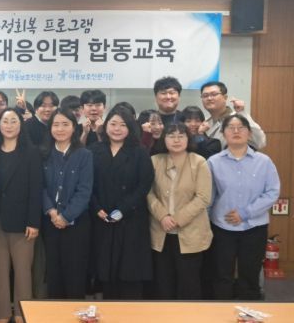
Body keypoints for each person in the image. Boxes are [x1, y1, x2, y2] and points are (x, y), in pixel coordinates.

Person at [207, 115, 280, 300]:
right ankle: (220, 312)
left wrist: (245, 213)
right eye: (230, 127)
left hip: (254, 227)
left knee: (250, 274)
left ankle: (249, 312)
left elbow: (272, 192)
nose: (236, 131)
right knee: (221, 274)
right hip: (222, 227)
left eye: (241, 127)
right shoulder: (213, 162)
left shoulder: (264, 161)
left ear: (249, 133)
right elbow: (209, 196)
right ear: (223, 133)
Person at [90, 106, 155, 299]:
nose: (117, 129)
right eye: (113, 124)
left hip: (131, 218)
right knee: (106, 270)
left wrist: (122, 210)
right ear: (105, 126)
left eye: (123, 125)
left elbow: (144, 184)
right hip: (102, 217)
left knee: (129, 271)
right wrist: (96, 208)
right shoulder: (94, 150)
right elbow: (86, 184)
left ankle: (131, 313)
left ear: (130, 128)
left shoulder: (139, 152)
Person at [0, 108, 42, 323]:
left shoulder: (31, 152)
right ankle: (2, 313)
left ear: (21, 125)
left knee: (23, 270)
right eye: (5, 121)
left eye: (14, 121)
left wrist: (34, 221)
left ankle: (22, 313)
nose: (9, 125)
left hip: (23, 221)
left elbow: (36, 188)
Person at [147, 123, 212, 300]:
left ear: (188, 139)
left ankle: (189, 317)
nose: (176, 140)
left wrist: (177, 219)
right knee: (163, 283)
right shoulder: (154, 161)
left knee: (189, 283)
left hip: (191, 232)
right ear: (164, 139)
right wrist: (162, 216)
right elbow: (148, 193)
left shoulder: (199, 162)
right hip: (161, 231)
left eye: (181, 136)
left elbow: (203, 197)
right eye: (171, 136)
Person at [42, 108, 93, 299]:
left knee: (75, 274)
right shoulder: (44, 154)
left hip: (77, 224)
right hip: (50, 222)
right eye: (56, 125)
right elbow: (40, 187)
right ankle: (55, 314)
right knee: (53, 273)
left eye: (65, 124)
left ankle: (75, 314)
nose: (60, 129)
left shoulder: (84, 155)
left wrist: (66, 216)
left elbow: (84, 190)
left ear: (74, 128)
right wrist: (51, 212)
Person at [200, 81, 266, 150]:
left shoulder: (237, 118)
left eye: (214, 94)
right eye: (205, 96)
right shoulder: (205, 123)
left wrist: (242, 112)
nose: (209, 98)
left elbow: (260, 142)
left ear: (225, 97)